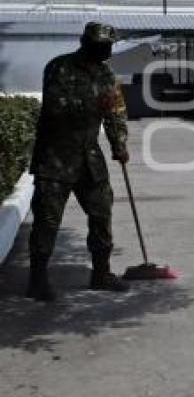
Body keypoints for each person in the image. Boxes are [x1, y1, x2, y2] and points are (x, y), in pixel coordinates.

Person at [27, 22, 130, 302]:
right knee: (47, 220)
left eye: (109, 47)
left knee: (101, 213)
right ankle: (37, 278)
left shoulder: (107, 73)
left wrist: (119, 143)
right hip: (55, 157)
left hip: (88, 157)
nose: (105, 51)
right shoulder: (59, 67)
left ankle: (101, 273)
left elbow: (116, 112)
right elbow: (54, 107)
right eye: (100, 46)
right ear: (84, 42)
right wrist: (95, 104)